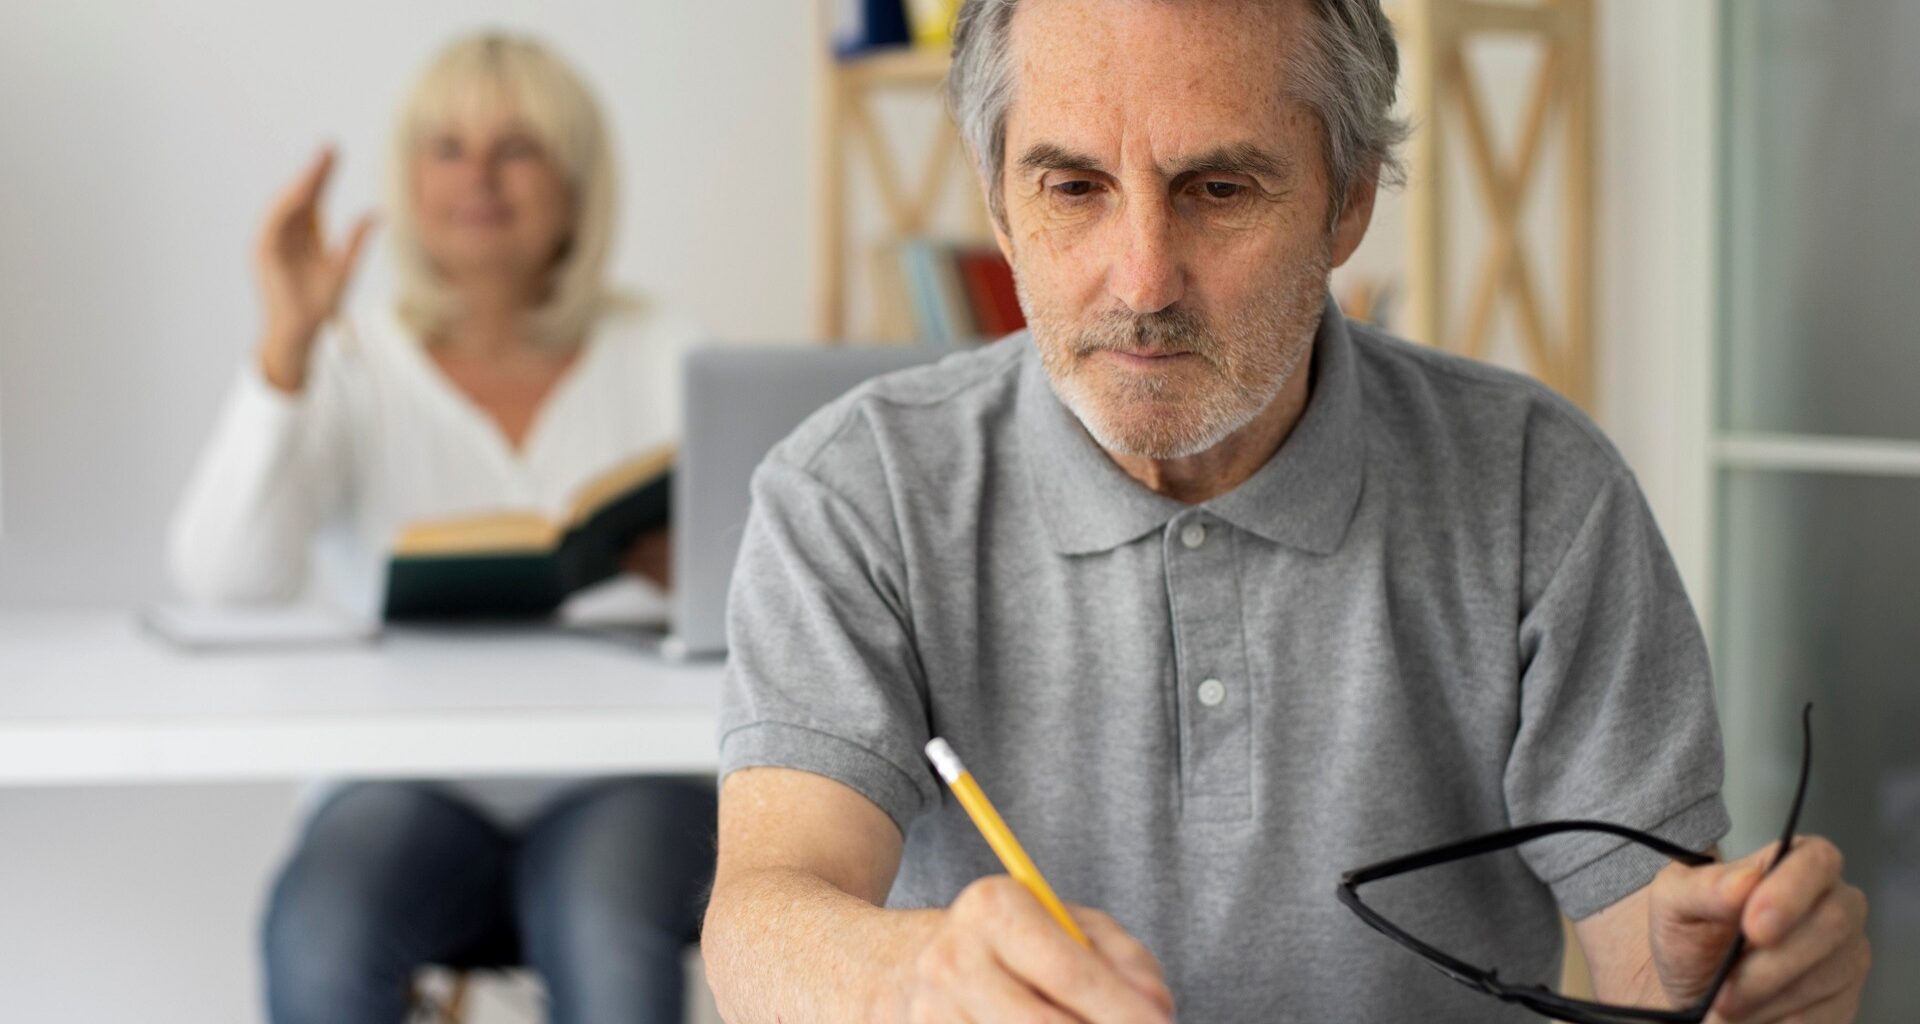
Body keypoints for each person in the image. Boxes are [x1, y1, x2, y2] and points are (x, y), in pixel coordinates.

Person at [701, 1, 1872, 1021]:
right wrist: (909, 984)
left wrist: (1717, 979)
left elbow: (1653, 957)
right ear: (1000, 208)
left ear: (1349, 201)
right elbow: (760, 916)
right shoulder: (851, 491)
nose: (1144, 279)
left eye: (1219, 189)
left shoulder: (1539, 486)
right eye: (1072, 188)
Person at [167, 32, 714, 1024]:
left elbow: (770, 601)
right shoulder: (350, 357)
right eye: (447, 147)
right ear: (409, 177)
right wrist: (286, 346)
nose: (479, 179)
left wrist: (698, 573)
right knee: (321, 927)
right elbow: (222, 579)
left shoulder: (664, 351)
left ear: (577, 182)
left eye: (518, 148)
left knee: (606, 919)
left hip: (627, 777)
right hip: (403, 780)